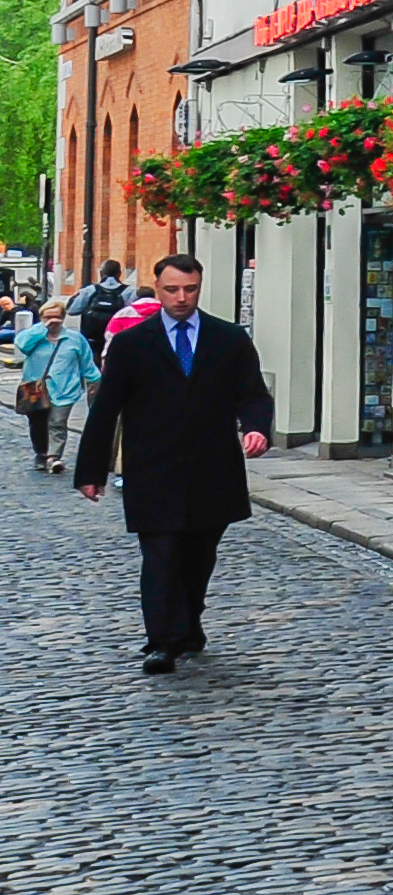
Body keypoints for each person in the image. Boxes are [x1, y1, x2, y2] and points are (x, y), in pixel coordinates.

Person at [72, 252, 273, 675]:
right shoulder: (132, 343)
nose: (181, 298)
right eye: (172, 290)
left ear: (199, 287)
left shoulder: (228, 339)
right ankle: (161, 640)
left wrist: (256, 428)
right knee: (161, 554)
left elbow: (252, 393)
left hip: (212, 468)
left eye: (190, 289)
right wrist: (91, 472)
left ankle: (189, 622)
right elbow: (107, 408)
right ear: (158, 288)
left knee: (198, 555)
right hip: (153, 468)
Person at [28, 308, 98, 475]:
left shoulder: (75, 338)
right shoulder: (34, 335)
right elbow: (21, 346)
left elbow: (87, 362)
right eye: (48, 316)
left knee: (57, 422)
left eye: (57, 316)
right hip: (34, 388)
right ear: (42, 317)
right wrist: (42, 329)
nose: (54, 320)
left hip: (65, 388)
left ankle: (53, 457)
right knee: (37, 423)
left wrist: (95, 381)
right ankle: (40, 454)